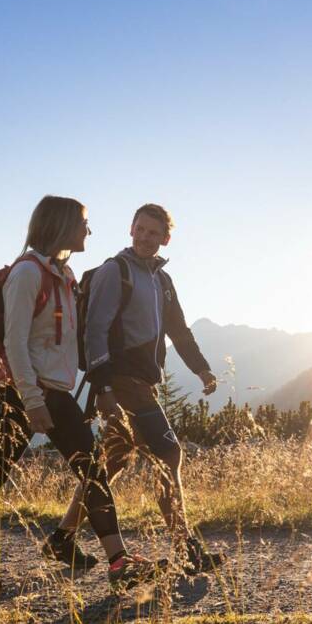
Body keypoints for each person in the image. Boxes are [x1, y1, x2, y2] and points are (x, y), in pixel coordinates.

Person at [0, 195, 161, 592]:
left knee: (93, 470)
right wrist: (31, 401)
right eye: (83, 222)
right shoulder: (28, 274)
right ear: (61, 226)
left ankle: (118, 563)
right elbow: (15, 343)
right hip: (22, 392)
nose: (89, 230)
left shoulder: (63, 275)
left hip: (56, 393)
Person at [53, 203, 226, 574]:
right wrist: (103, 388)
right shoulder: (116, 272)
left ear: (166, 238)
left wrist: (202, 369)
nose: (145, 238)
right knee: (169, 455)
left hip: (141, 381)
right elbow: (94, 331)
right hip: (121, 381)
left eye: (154, 233)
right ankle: (187, 550)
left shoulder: (162, 281)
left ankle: (62, 538)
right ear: (130, 229)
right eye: (140, 229)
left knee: (109, 464)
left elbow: (178, 330)